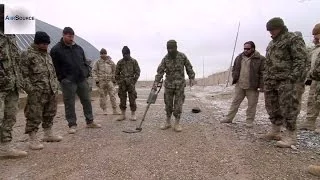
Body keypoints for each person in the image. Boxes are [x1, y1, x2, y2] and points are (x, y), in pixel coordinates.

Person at [262, 17, 308, 148]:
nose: (271, 32)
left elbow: (301, 60)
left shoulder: (292, 39)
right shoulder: (272, 44)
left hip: (287, 81)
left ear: (281, 27)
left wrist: (293, 79)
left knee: (289, 108)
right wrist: (266, 77)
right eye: (269, 30)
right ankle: (275, 131)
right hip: (272, 81)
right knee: (272, 106)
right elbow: (269, 62)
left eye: (273, 29)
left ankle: (290, 136)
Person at [50, 27, 101, 134]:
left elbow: (84, 62)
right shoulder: (56, 50)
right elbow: (54, 67)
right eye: (69, 36)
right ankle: (72, 125)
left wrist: (86, 72)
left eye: (72, 36)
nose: (71, 38)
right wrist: (63, 78)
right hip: (68, 81)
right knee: (69, 103)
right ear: (63, 35)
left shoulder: (78, 48)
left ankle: (90, 121)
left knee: (86, 100)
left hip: (81, 79)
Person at [20, 31, 63, 150]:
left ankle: (48, 134)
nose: (45, 46)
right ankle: (32, 139)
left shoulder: (47, 55)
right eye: (43, 44)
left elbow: (52, 72)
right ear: (37, 43)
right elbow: (23, 75)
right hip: (36, 92)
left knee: (50, 112)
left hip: (50, 90)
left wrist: (55, 85)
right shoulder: (27, 54)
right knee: (34, 115)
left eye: (47, 44)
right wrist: (31, 89)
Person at [0, 4, 27, 157]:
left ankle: (5, 148)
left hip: (12, 84)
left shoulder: (11, 36)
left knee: (10, 117)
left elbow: (16, 60)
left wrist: (20, 80)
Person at [152, 40, 195, 132]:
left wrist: (191, 77)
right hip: (168, 85)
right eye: (168, 49)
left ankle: (177, 123)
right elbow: (160, 71)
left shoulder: (182, 56)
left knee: (178, 104)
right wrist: (156, 82)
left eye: (172, 48)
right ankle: (168, 122)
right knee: (168, 104)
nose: (170, 50)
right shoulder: (165, 58)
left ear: (176, 47)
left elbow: (189, 67)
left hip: (179, 86)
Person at [221, 41, 265, 127]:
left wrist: (261, 85)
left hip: (252, 86)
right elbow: (234, 69)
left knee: (252, 105)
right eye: (244, 48)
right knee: (235, 102)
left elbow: (263, 73)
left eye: (248, 49)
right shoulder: (239, 58)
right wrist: (235, 76)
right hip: (240, 85)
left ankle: (249, 121)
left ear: (253, 49)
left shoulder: (260, 59)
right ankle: (229, 118)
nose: (246, 50)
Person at [299, 23, 320, 132]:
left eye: (316, 35)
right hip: (315, 79)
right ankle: (309, 123)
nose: (315, 38)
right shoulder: (315, 50)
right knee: (312, 100)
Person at [115, 46, 140, 121]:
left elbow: (137, 72)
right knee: (122, 99)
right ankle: (123, 114)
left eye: (126, 54)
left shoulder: (134, 61)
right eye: (123, 54)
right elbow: (116, 74)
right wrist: (119, 82)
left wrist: (133, 81)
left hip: (131, 83)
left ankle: (133, 114)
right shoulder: (120, 62)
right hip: (122, 83)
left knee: (132, 98)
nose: (125, 56)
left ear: (129, 53)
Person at [92, 48, 120, 115]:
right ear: (100, 54)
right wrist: (97, 80)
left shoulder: (111, 62)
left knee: (112, 95)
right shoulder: (97, 62)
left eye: (104, 53)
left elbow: (114, 71)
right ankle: (104, 110)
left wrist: (114, 80)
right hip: (101, 82)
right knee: (102, 96)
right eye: (102, 54)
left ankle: (115, 110)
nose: (103, 55)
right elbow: (94, 71)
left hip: (109, 81)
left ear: (106, 54)